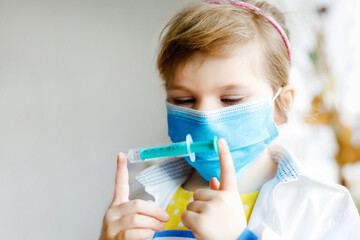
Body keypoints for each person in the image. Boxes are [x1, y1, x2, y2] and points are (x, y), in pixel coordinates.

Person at [99, 0, 360, 239]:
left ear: (282, 104)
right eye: (184, 100)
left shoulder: (324, 208)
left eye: (231, 99)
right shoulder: (141, 198)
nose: (204, 117)